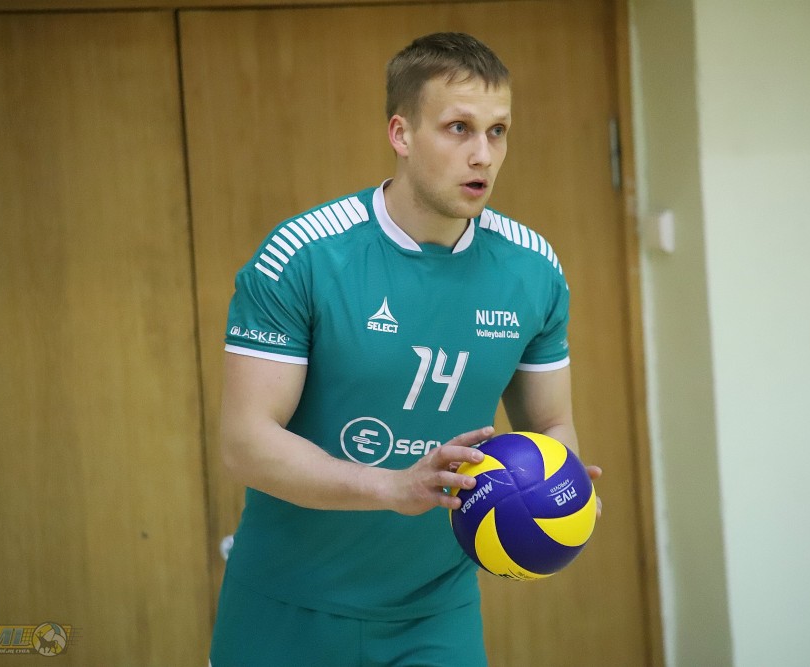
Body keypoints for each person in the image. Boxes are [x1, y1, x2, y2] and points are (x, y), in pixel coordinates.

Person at [209, 31, 602, 667]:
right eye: (458, 128)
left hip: (435, 613)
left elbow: (552, 425)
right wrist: (394, 486)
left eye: (498, 132)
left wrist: (561, 493)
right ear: (401, 133)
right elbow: (245, 441)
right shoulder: (303, 257)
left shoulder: (534, 270)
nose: (483, 155)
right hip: (285, 607)